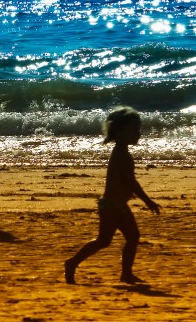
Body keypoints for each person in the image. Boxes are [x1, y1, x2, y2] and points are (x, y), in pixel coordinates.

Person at [64, 106, 160, 284]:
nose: (138, 134)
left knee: (133, 237)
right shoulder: (121, 154)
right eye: (133, 130)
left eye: (138, 130)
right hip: (111, 207)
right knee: (103, 241)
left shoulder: (123, 152)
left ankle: (126, 274)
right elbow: (131, 181)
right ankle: (72, 263)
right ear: (119, 131)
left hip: (119, 206)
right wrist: (148, 201)